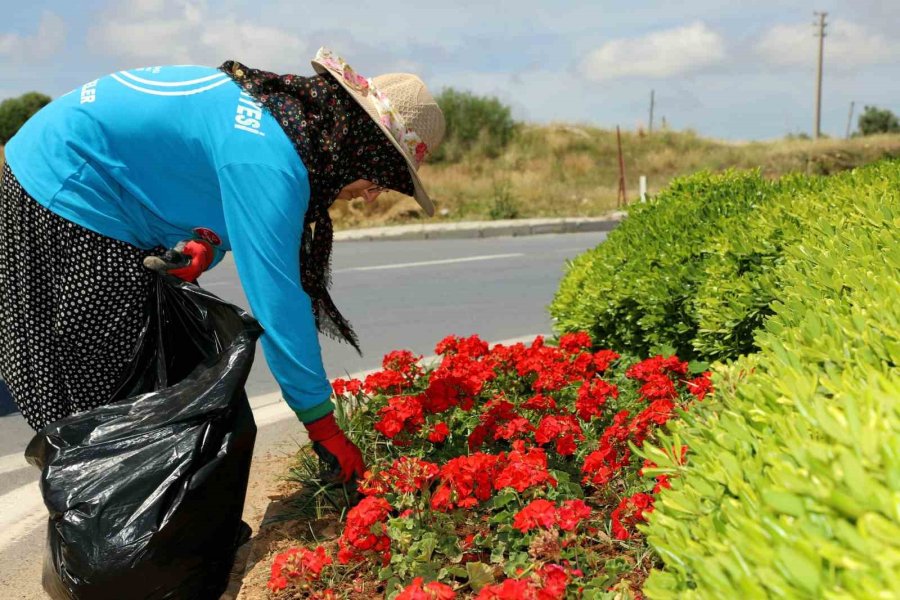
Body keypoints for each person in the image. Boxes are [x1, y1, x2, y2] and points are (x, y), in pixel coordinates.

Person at [0, 47, 445, 484]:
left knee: (131, 387)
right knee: (105, 383)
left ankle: (111, 525)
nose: (371, 196)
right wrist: (321, 424)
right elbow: (278, 302)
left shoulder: (283, 121)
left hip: (77, 170)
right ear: (364, 150)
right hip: (63, 179)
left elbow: (204, 175)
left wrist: (206, 243)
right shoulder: (271, 159)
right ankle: (99, 534)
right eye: (384, 179)